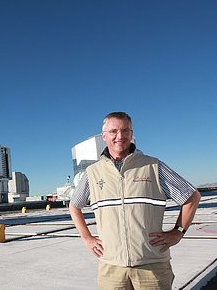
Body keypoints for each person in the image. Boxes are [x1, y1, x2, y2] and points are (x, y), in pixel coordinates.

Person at [69, 111, 201, 290]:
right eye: (114, 131)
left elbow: (191, 197)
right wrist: (87, 238)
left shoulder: (153, 166)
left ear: (131, 134)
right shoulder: (92, 173)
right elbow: (74, 206)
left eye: (125, 131)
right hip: (111, 267)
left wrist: (178, 231)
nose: (120, 136)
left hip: (152, 265)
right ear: (104, 136)